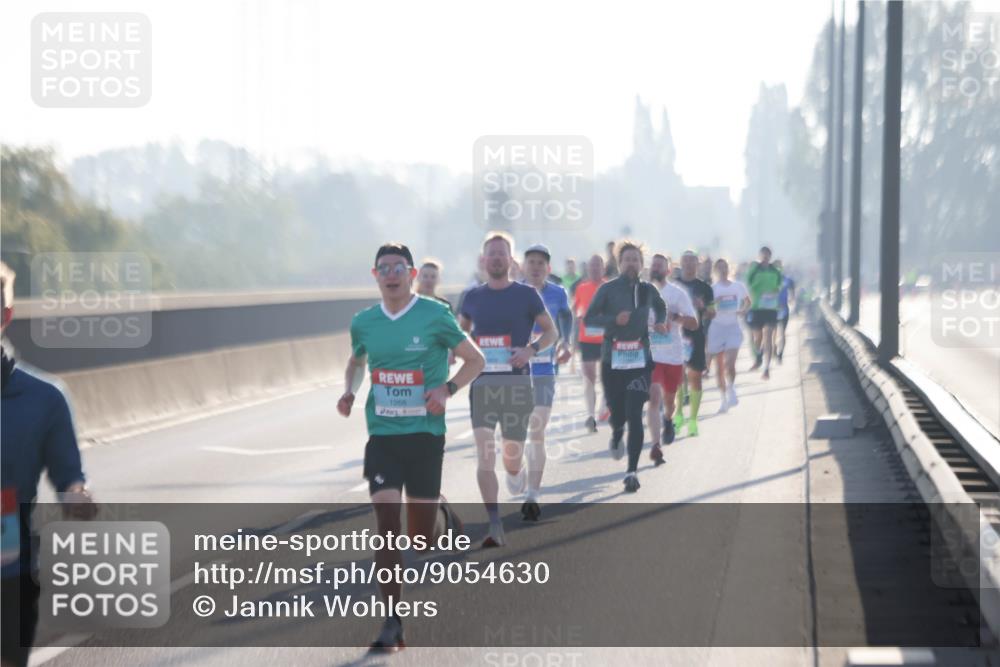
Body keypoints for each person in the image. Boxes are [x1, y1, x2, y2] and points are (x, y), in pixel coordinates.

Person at [337, 243, 486, 652]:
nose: (391, 274)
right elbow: (356, 361)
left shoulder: (434, 315)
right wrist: (349, 393)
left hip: (424, 435)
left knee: (421, 540)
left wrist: (447, 388)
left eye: (398, 267)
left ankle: (440, 512)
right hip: (383, 435)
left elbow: (475, 360)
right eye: (383, 268)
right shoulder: (364, 321)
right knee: (386, 523)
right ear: (375, 275)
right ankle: (392, 622)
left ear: (412, 272)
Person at [1, 262, 97, 667]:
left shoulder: (45, 398)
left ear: (5, 315)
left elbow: (67, 476)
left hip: (9, 571)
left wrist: (77, 496)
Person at [459, 232, 557, 546]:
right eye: (492, 254)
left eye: (503, 253)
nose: (497, 258)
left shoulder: (527, 295)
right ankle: (494, 523)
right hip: (483, 386)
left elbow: (551, 332)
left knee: (511, 458)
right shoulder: (472, 297)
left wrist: (531, 350)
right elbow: (459, 334)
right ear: (484, 260)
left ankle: (516, 474)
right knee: (485, 454)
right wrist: (453, 351)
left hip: (517, 385)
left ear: (511, 261)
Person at [583, 241, 667, 493]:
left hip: (640, 360)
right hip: (612, 359)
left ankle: (632, 471)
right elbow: (589, 319)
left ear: (642, 265)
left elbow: (660, 307)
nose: (631, 263)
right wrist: (613, 320)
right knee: (617, 413)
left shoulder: (647, 289)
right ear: (619, 264)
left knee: (634, 413)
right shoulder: (608, 289)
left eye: (635, 259)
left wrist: (661, 321)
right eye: (627, 259)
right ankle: (617, 431)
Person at [520, 244, 572, 521]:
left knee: (536, 428)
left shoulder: (558, 293)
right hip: (514, 371)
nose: (536, 267)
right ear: (522, 266)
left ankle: (532, 494)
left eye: (541, 263)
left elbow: (567, 319)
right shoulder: (511, 293)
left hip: (543, 369)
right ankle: (516, 470)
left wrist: (566, 342)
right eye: (531, 262)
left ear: (548, 269)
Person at [646, 254, 698, 463]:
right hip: (651, 354)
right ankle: (656, 444)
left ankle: (668, 419)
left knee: (669, 399)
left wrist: (674, 317)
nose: (656, 268)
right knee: (654, 396)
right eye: (654, 265)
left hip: (673, 355)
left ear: (668, 270)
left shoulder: (677, 294)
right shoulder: (642, 292)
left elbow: (693, 323)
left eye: (660, 266)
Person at [675, 250, 715, 437]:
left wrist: (703, 308)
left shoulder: (705, 288)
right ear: (681, 263)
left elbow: (712, 313)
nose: (689, 265)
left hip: (696, 335)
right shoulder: (674, 285)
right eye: (686, 261)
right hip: (676, 336)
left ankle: (693, 419)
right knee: (677, 375)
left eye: (693, 262)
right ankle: (679, 414)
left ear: (697, 265)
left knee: (695, 377)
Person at [707, 258, 751, 412]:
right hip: (717, 328)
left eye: (724, 267)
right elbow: (709, 312)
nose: (722, 270)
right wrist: (715, 304)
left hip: (733, 327)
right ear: (715, 271)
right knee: (719, 368)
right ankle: (723, 398)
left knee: (730, 363)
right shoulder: (712, 289)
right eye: (719, 268)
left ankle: (731, 388)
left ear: (729, 268)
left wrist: (743, 311)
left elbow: (748, 301)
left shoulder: (738, 286)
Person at [573, 254, 607, 433]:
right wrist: (579, 316)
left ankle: (604, 405)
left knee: (607, 376)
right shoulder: (581, 287)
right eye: (591, 266)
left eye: (597, 266)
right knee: (589, 377)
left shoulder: (609, 286)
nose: (594, 269)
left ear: (603, 268)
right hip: (586, 338)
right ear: (587, 268)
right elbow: (577, 308)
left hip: (606, 338)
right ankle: (590, 415)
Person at [746, 246, 783, 380]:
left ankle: (766, 368)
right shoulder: (754, 269)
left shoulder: (775, 270)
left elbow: (779, 285)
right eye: (764, 255)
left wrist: (774, 292)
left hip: (771, 308)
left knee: (768, 336)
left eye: (768, 255)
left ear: (770, 256)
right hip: (757, 307)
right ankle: (758, 356)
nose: (766, 257)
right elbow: (747, 283)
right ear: (760, 255)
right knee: (757, 338)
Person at [774, 260, 796, 363]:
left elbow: (792, 291)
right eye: (776, 267)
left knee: (782, 333)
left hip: (784, 308)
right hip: (772, 309)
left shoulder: (788, 280)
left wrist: (792, 298)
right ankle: (773, 350)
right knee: (772, 333)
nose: (778, 269)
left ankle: (780, 353)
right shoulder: (770, 280)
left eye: (780, 267)